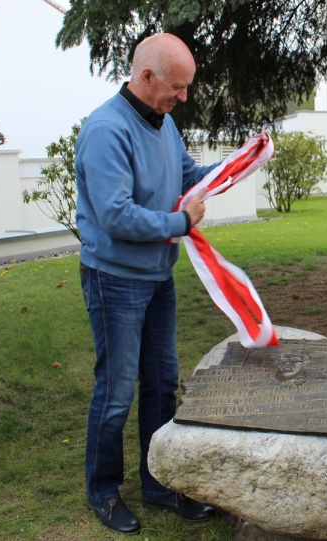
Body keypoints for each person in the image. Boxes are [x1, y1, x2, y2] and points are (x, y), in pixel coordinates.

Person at [75, 33, 217, 535]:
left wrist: (237, 164)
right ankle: (104, 490)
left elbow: (187, 176)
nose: (183, 98)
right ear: (147, 76)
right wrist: (181, 224)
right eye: (176, 88)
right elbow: (115, 215)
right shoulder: (106, 129)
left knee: (161, 382)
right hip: (114, 280)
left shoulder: (166, 123)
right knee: (116, 391)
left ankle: (158, 483)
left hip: (157, 279)